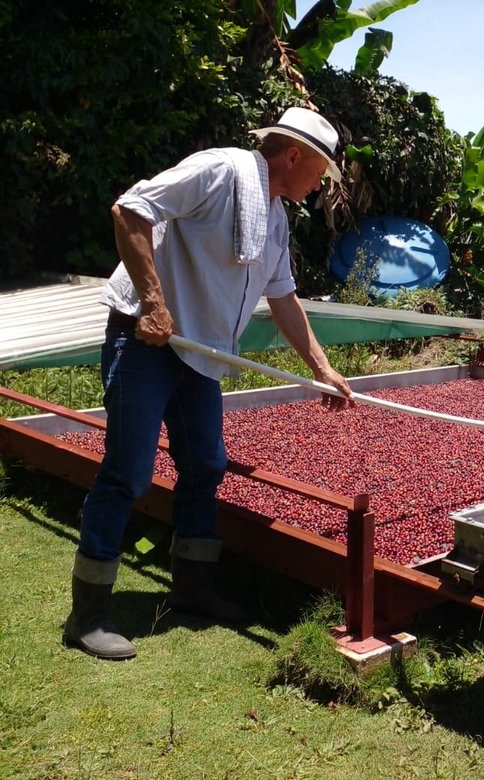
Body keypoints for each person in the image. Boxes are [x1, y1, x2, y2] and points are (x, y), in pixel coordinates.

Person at [64, 107, 357, 660]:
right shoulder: (219, 171)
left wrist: (320, 367)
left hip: (201, 356)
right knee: (128, 471)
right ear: (293, 155)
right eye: (319, 171)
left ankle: (193, 589)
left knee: (206, 466)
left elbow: (283, 297)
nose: (319, 185)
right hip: (148, 343)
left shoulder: (275, 217)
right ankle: (87, 617)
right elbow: (130, 210)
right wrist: (152, 303)